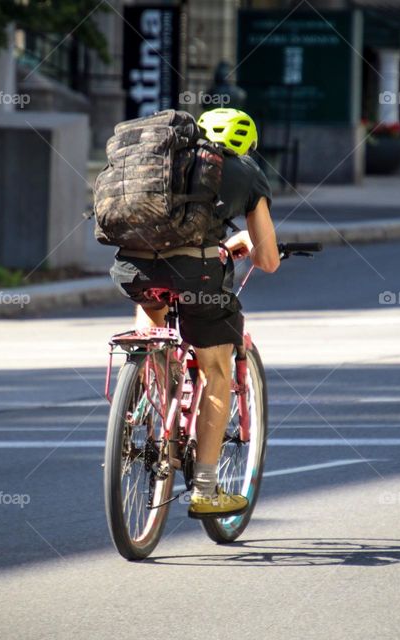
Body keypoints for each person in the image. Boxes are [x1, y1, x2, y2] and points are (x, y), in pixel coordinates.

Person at [109, 108, 280, 518]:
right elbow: (269, 259)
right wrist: (245, 244)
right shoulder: (246, 172)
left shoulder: (168, 158)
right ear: (248, 144)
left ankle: (149, 388)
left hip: (131, 269)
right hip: (197, 275)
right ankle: (205, 488)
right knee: (216, 371)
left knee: (153, 313)